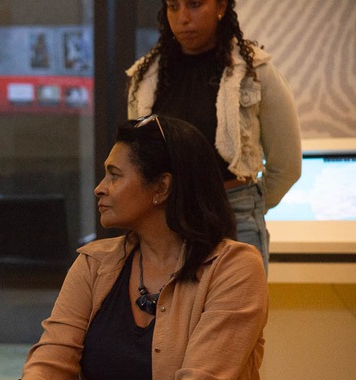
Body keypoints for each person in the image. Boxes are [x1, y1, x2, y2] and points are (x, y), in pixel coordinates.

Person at [2, 115, 271, 380]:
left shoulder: (235, 268)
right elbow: (46, 365)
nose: (100, 188)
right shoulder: (95, 264)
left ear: (161, 188)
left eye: (114, 175)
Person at [127, 0, 301, 270]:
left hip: (235, 213)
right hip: (167, 219)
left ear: (221, 7)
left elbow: (287, 166)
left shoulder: (254, 69)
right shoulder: (146, 75)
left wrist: (249, 202)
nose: (183, 17)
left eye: (195, 4)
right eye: (173, 6)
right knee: (167, 300)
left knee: (237, 298)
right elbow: (137, 158)